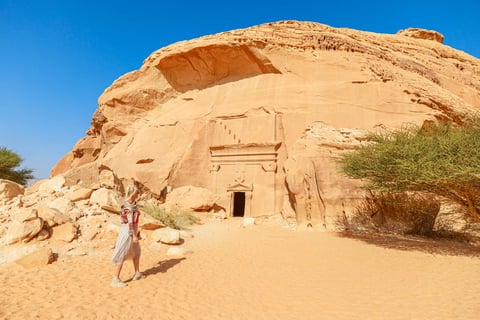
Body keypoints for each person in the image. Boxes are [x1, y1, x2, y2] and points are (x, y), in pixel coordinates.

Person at [110, 185, 145, 287]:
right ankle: (115, 279)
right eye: (137, 192)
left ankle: (137, 273)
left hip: (132, 230)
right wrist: (134, 235)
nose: (138, 194)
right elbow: (129, 222)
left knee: (137, 252)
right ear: (133, 194)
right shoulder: (128, 207)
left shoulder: (131, 204)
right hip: (128, 232)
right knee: (123, 253)